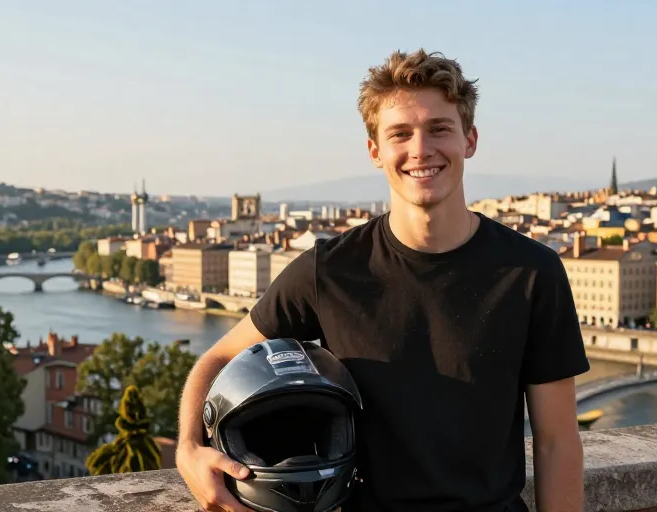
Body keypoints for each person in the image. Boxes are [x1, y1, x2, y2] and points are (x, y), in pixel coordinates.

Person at [176, 48, 590, 512]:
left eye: (439, 128)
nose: (421, 150)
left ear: (470, 140)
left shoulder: (533, 273)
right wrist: (188, 447)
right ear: (375, 151)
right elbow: (220, 358)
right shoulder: (328, 270)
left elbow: (557, 443)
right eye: (400, 134)